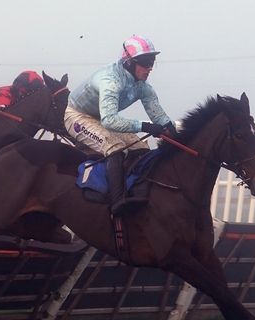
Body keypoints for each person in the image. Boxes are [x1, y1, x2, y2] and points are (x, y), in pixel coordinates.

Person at [64, 35, 177, 216]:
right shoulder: (110, 81)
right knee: (115, 148)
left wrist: (171, 130)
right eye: (145, 62)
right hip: (78, 116)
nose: (149, 68)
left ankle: (135, 190)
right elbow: (109, 120)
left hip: (101, 117)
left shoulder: (143, 87)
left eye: (152, 62)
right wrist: (147, 127)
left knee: (141, 147)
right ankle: (117, 202)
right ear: (130, 62)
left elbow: (158, 115)